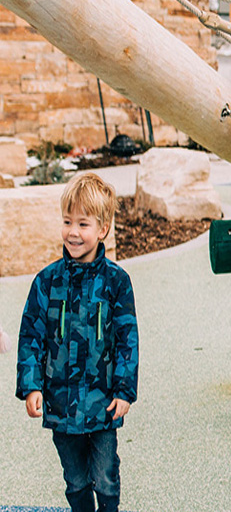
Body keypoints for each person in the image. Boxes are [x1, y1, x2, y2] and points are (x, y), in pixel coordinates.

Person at [16, 173, 139, 512]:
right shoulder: (46, 282)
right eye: (67, 221)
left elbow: (128, 339)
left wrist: (124, 391)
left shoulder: (117, 282)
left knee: (105, 475)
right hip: (61, 403)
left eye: (83, 224)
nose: (73, 231)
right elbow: (31, 336)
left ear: (103, 229)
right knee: (75, 479)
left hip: (103, 404)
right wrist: (31, 386)